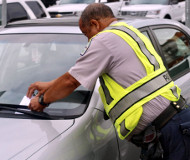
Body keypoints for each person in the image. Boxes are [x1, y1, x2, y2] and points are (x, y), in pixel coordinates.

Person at [27, 3, 190, 160]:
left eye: (86, 34)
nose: (88, 40)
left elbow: (71, 82)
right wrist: (50, 85)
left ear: (94, 24)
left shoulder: (103, 40)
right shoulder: (127, 31)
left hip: (170, 130)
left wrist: (42, 101)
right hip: (173, 124)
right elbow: (74, 74)